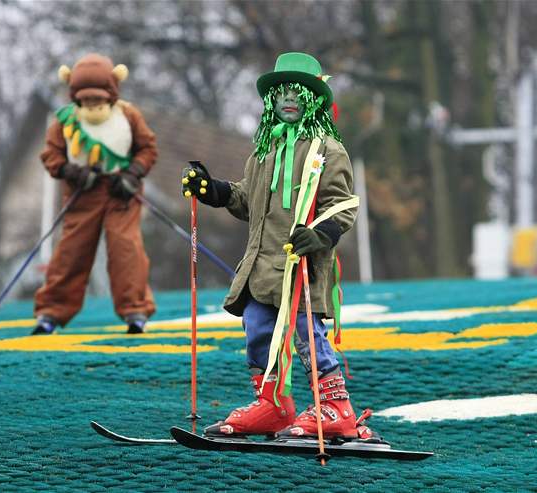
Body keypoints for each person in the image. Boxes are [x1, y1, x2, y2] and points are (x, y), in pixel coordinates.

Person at [181, 52, 374, 440]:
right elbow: (246, 200)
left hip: (298, 268)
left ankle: (336, 408)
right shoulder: (263, 152)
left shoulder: (327, 150)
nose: (289, 98)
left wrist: (321, 234)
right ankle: (273, 405)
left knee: (306, 334)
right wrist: (214, 191)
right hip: (259, 271)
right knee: (257, 332)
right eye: (281, 91)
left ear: (314, 99)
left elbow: (342, 204)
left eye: (298, 91)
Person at [33, 53, 158, 335]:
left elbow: (148, 148)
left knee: (126, 249)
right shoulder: (64, 121)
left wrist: (132, 174)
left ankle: (135, 311)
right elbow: (50, 155)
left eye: (98, 98)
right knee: (71, 253)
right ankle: (50, 314)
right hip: (82, 194)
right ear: (75, 96)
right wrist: (72, 172)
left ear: (112, 93)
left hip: (121, 194)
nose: (92, 104)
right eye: (86, 99)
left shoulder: (128, 115)